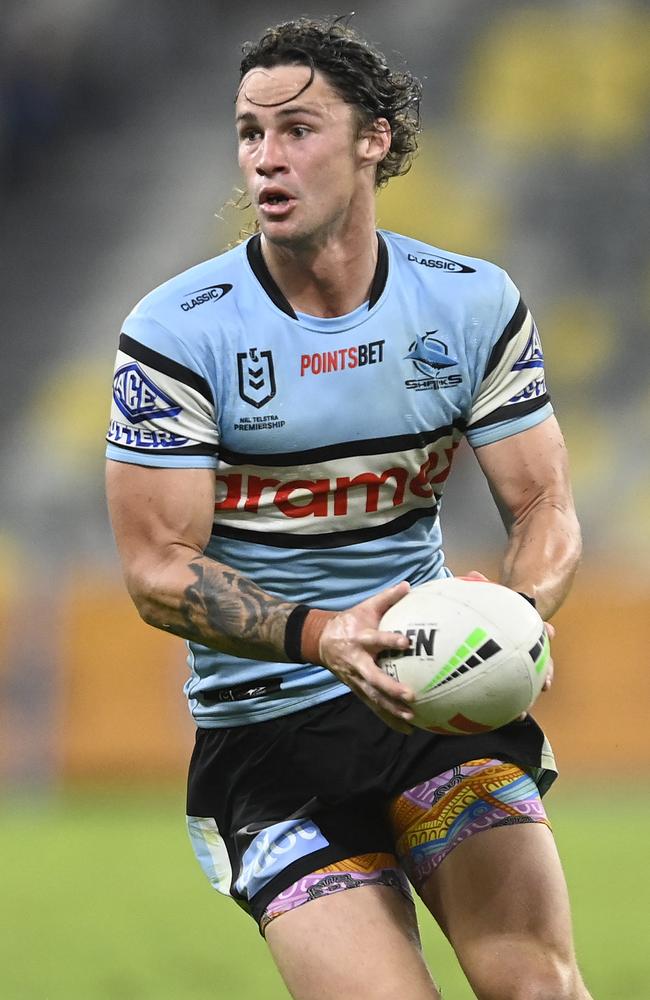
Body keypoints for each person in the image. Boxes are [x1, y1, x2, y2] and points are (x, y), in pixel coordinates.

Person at [105, 16, 590, 1000]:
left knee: (535, 987)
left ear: (373, 138)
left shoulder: (468, 305)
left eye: (297, 129)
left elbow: (542, 501)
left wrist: (515, 612)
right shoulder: (175, 334)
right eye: (249, 132)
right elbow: (157, 568)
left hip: (432, 705)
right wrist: (325, 636)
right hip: (268, 734)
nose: (265, 158)